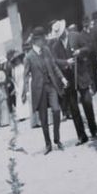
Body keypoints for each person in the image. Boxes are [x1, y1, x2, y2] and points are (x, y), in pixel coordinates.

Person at [51, 20, 97, 145]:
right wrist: (66, 62)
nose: (60, 36)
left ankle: (94, 131)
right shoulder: (56, 46)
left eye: (61, 33)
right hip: (68, 80)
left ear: (64, 30)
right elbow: (54, 61)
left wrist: (79, 52)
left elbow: (88, 48)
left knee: (87, 103)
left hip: (81, 75)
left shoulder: (76, 36)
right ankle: (81, 136)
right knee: (74, 108)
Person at [23, 26, 67, 155]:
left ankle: (57, 139)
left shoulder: (46, 50)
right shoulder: (29, 57)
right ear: (36, 41)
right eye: (42, 39)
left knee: (56, 110)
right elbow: (25, 76)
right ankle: (48, 144)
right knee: (43, 118)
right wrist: (25, 91)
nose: (44, 41)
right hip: (39, 90)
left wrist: (62, 78)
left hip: (51, 86)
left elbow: (54, 66)